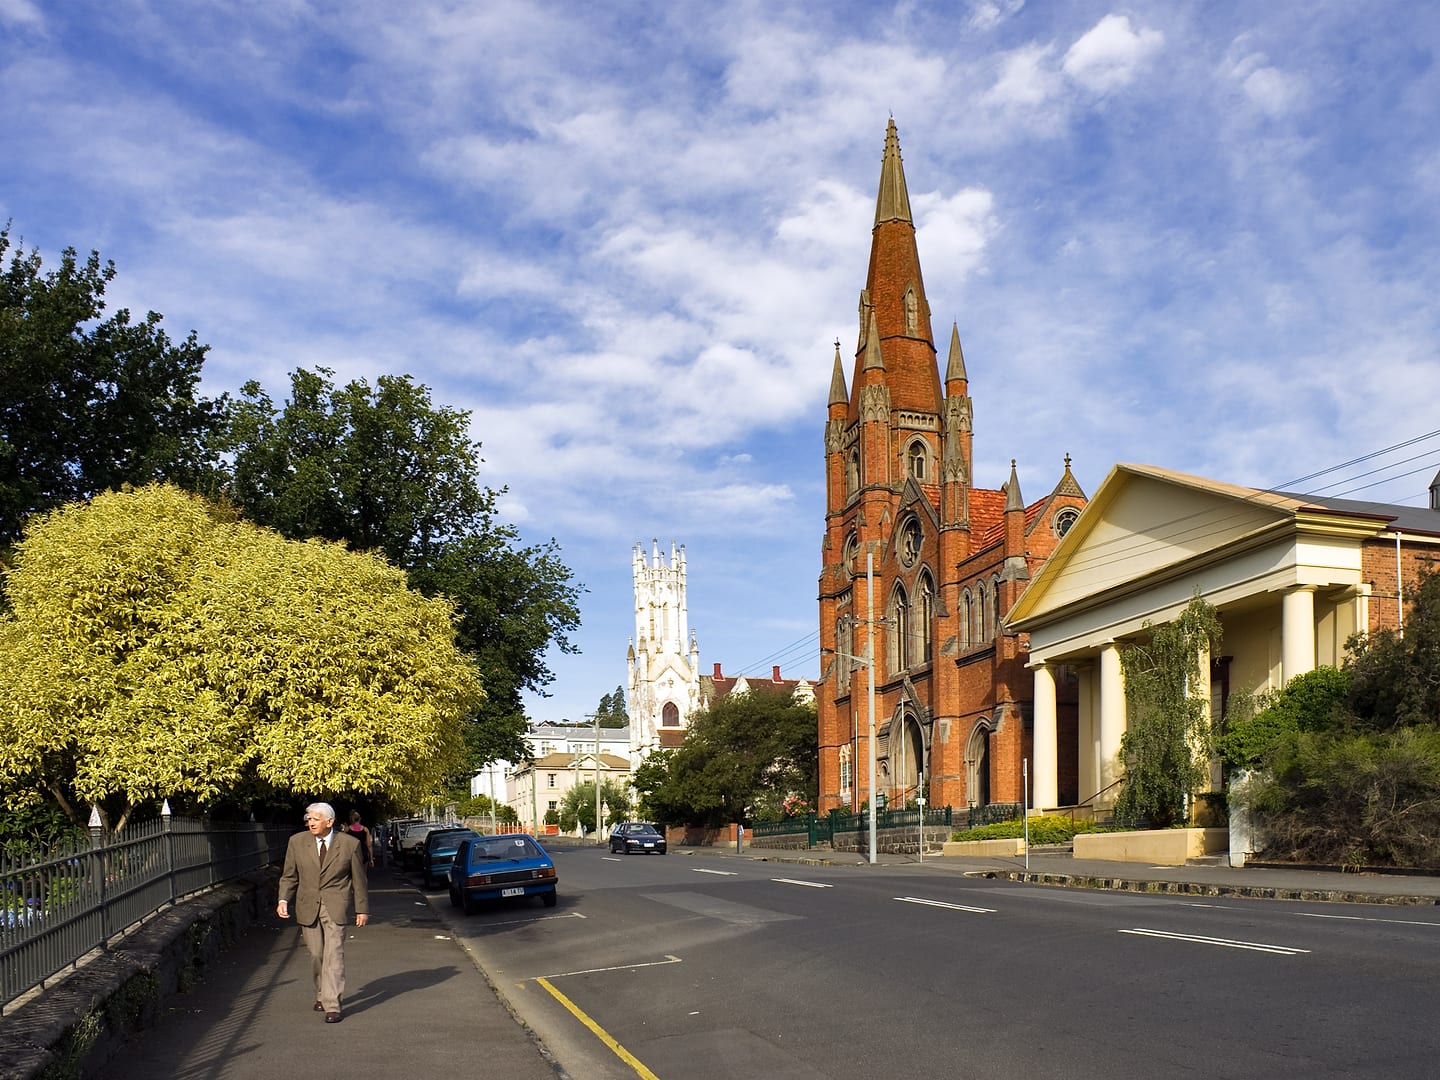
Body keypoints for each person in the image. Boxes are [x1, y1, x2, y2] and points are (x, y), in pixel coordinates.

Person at [277, 802, 369, 1023]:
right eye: (309, 819)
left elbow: (359, 879)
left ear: (329, 822)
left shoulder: (349, 844)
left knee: (333, 954)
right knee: (317, 954)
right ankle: (321, 992)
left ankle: (332, 1004)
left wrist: (361, 909)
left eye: (315, 819)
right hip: (307, 905)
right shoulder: (297, 842)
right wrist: (283, 900)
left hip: (335, 905)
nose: (310, 823)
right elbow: (289, 875)